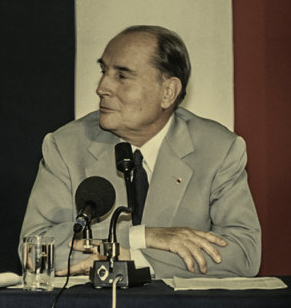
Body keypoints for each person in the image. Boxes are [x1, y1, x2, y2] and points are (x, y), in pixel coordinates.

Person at [19, 25, 261, 278]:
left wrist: (135, 259)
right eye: (104, 71)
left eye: (122, 76)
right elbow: (33, 250)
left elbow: (243, 255)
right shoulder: (66, 146)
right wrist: (140, 236)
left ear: (168, 92)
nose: (102, 87)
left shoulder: (218, 150)